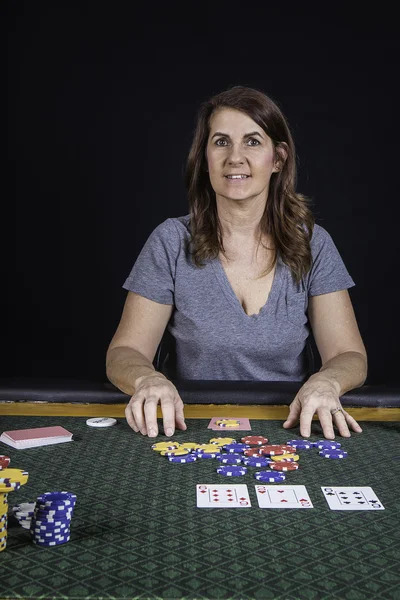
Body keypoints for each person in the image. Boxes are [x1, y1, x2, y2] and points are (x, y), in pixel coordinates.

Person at [106, 86, 367, 441]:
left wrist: (327, 381)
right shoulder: (170, 241)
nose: (235, 157)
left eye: (253, 142)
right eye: (221, 142)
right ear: (205, 158)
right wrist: (147, 378)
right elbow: (126, 351)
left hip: (292, 428)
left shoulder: (313, 243)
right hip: (186, 427)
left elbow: (348, 354)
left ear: (278, 159)